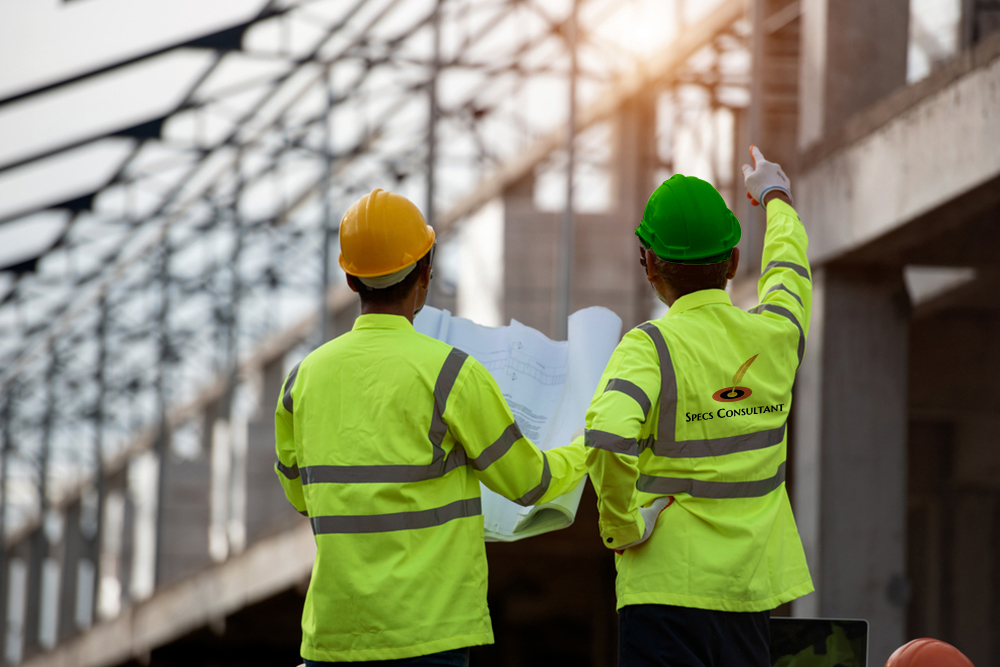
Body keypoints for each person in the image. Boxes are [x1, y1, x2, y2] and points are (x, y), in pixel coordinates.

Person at [274, 188, 587, 666]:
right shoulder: (451, 374)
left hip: (334, 639)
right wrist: (585, 446)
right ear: (426, 272)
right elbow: (529, 483)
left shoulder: (303, 380)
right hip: (429, 637)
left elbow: (302, 497)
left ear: (351, 279)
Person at [583, 147, 814, 667]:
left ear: (648, 264)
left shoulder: (648, 348)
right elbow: (789, 273)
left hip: (662, 596)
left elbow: (606, 438)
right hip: (747, 593)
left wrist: (622, 526)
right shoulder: (776, 337)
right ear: (734, 262)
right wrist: (775, 196)